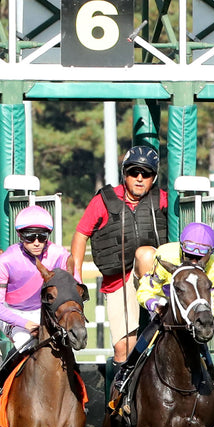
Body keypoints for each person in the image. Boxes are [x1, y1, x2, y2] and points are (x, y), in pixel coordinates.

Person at [112, 222, 214, 421]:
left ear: (210, 254)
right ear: (181, 248)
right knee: (152, 331)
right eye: (188, 255)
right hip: (166, 309)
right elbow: (146, 289)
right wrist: (155, 305)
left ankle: (213, 378)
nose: (193, 260)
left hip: (193, 315)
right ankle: (126, 372)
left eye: (199, 258)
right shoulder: (166, 256)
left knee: (201, 340)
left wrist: (201, 315)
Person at [70, 145, 167, 364]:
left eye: (146, 173)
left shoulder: (162, 199)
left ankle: (155, 311)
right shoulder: (103, 201)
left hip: (155, 277)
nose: (139, 178)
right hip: (118, 280)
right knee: (123, 348)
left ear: (154, 177)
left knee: (145, 254)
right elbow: (80, 236)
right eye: (134, 172)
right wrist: (76, 280)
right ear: (125, 174)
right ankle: (120, 395)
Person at [0, 206, 71, 409]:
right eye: (30, 237)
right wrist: (26, 323)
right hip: (13, 315)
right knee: (26, 345)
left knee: (66, 345)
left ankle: (76, 394)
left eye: (42, 236)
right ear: (20, 235)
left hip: (45, 312)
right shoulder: (6, 261)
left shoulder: (59, 255)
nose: (36, 242)